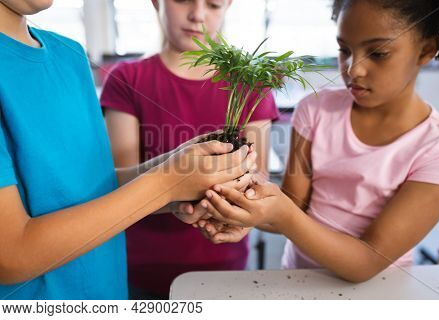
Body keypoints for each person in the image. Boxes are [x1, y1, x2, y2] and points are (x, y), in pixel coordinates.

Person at [0, 0, 255, 299]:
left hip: (109, 294)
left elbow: (95, 186)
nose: (198, 13)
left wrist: (177, 174)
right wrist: (166, 184)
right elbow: (11, 256)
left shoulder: (70, 56)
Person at [199, 0, 439, 282]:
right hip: (298, 281)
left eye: (378, 53)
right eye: (345, 50)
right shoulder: (315, 110)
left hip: (379, 292)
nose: (354, 69)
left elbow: (366, 262)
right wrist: (239, 210)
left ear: (426, 49)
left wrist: (280, 213)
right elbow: (293, 208)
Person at [100, 0, 278, 299]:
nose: (197, 14)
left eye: (213, 4)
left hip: (225, 264)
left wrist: (228, 204)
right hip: (142, 268)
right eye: (183, 0)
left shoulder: (250, 82)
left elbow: (257, 178)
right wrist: (177, 194)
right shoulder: (127, 79)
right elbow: (120, 186)